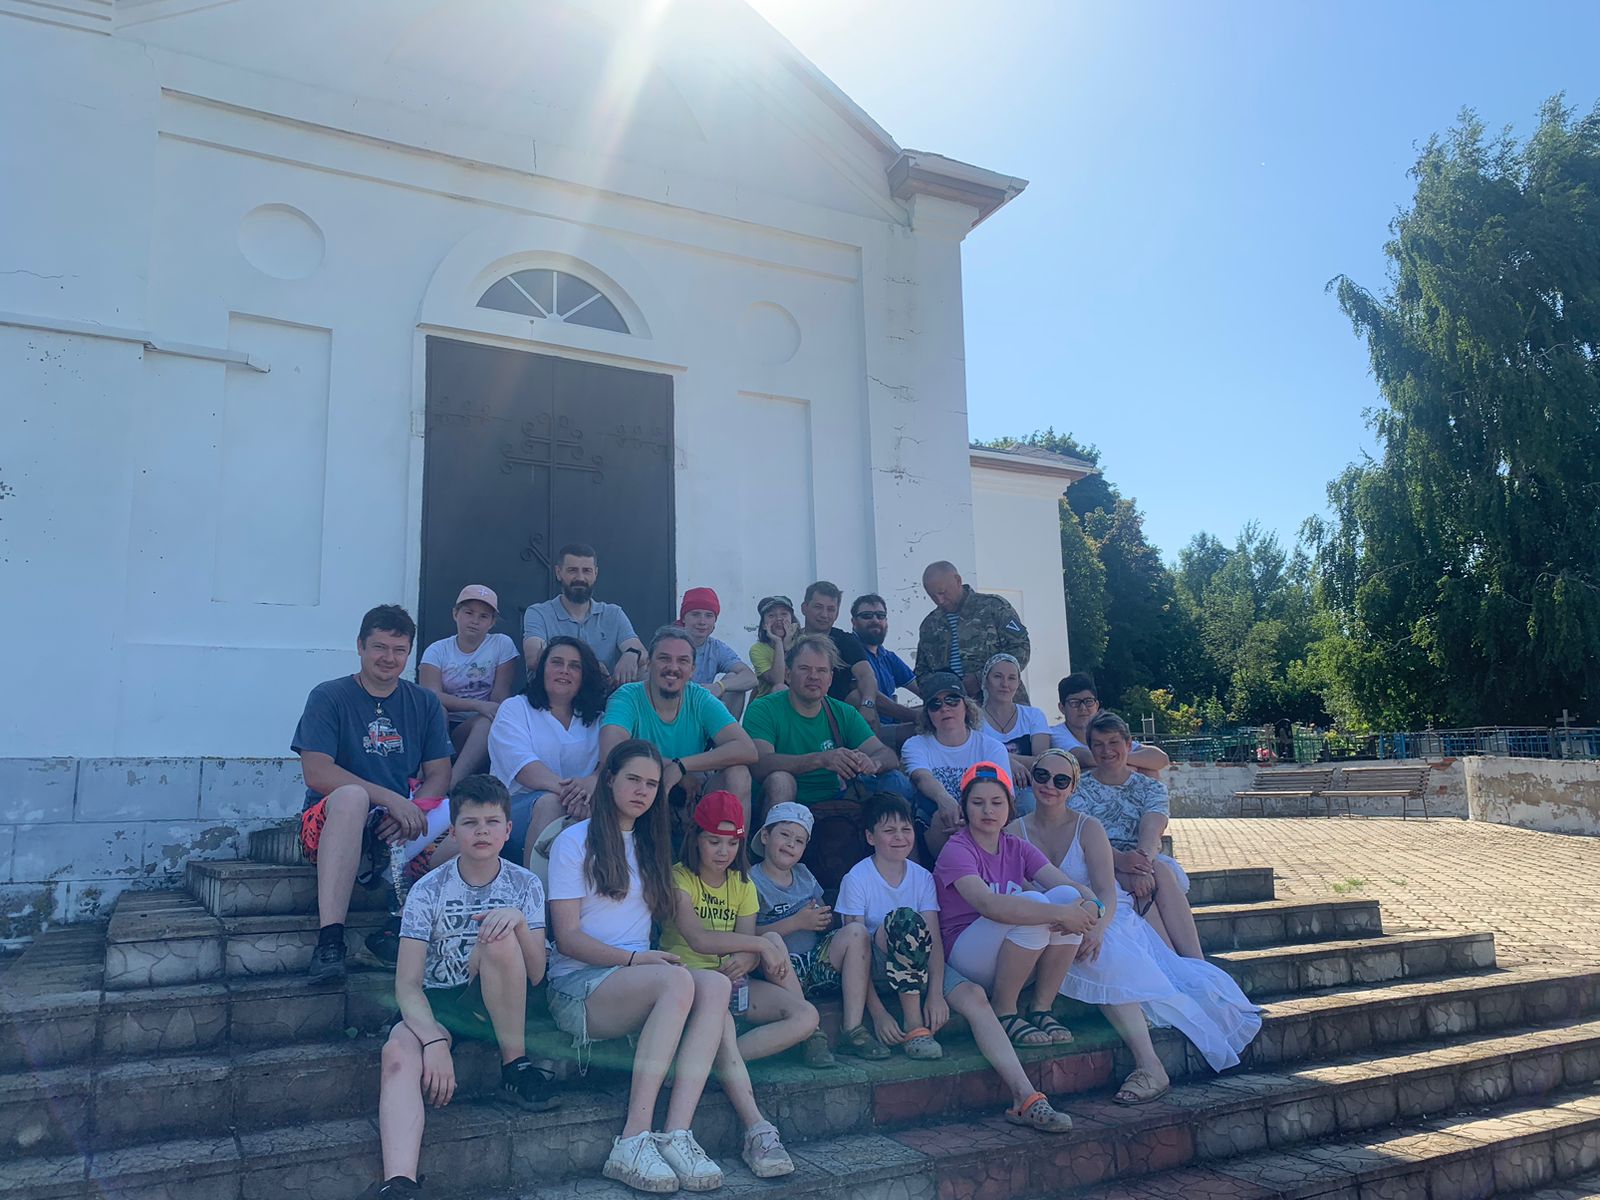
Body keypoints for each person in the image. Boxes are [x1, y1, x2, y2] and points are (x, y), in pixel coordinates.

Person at [545, 741, 786, 1191]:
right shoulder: (573, 842)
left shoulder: (651, 846)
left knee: (715, 987)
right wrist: (635, 959)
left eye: (652, 784)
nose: (642, 790)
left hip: (637, 979)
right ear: (609, 780)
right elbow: (568, 938)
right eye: (633, 779)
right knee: (676, 982)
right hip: (578, 986)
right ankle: (632, 1139)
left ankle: (677, 1134)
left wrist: (750, 948)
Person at [1010, 748, 1260, 1102]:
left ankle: (1149, 1064)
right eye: (1042, 776)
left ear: (1072, 788)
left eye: (1061, 780)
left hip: (1104, 914)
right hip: (1051, 919)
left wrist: (1097, 927)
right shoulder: (1015, 831)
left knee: (1104, 953)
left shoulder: (1087, 827)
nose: (1050, 785)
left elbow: (1106, 890)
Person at [369, 775, 555, 1200]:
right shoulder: (427, 890)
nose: (482, 832)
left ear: (508, 830)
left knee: (500, 936)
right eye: (470, 823)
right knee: (397, 1051)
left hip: (500, 996)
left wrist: (518, 921)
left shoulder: (525, 884)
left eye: (492, 822)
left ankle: (515, 1065)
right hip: (439, 1001)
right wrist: (434, 1041)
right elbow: (408, 985)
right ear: (453, 831)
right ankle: (399, 1182)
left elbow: (537, 972)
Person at [292, 605, 452, 981]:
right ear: (360, 646)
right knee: (352, 797)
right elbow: (316, 772)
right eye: (379, 647)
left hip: (395, 826)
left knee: (469, 821)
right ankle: (330, 942)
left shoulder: (425, 703)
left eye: (399, 650)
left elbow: (439, 774)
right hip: (330, 820)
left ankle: (398, 928)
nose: (389, 658)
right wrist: (390, 799)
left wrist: (411, 809)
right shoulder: (329, 696)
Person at [928, 767, 1082, 1134]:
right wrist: (1061, 914)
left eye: (997, 802)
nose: (988, 810)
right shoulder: (957, 849)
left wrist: (1092, 909)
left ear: (1010, 806)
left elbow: (1067, 886)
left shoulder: (1016, 846)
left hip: (1008, 950)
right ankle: (1006, 1009)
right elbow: (989, 905)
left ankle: (1041, 1007)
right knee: (1038, 905)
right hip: (965, 951)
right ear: (964, 808)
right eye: (978, 802)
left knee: (1066, 896)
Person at [662, 792, 817, 1082]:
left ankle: (713, 1063)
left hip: (733, 983)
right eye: (714, 842)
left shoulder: (743, 884)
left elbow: (746, 946)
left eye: (732, 843)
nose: (724, 852)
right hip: (689, 980)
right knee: (763, 946)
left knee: (807, 1016)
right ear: (696, 838)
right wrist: (760, 945)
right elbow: (699, 939)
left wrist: (749, 957)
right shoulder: (678, 878)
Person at [749, 802, 873, 1069]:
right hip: (779, 974)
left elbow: (822, 916)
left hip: (814, 965)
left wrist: (822, 919)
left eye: (799, 841)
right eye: (784, 835)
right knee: (769, 942)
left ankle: (852, 1028)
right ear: (766, 836)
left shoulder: (804, 875)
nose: (790, 844)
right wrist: (796, 922)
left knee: (856, 932)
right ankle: (811, 1035)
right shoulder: (751, 881)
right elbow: (748, 935)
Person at [1074, 712, 1203, 959]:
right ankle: (1175, 963)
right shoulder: (1079, 789)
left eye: (1113, 742)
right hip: (1097, 861)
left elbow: (1153, 826)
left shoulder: (1150, 787)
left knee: (1160, 871)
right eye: (1098, 744)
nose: (1106, 750)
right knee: (1143, 880)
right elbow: (1083, 836)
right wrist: (1123, 863)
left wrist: (1141, 865)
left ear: (1128, 744)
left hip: (1140, 859)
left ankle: (1195, 961)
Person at [600, 626, 758, 826]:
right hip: (644, 786)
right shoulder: (627, 697)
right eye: (664, 658)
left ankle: (734, 844)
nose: (673, 667)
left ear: (692, 670)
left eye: (682, 661)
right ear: (648, 664)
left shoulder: (700, 698)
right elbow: (611, 751)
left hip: (693, 789)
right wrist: (671, 767)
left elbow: (747, 749)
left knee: (738, 774)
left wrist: (682, 766)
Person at [745, 635, 916, 820]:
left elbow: (885, 754)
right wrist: (821, 759)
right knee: (780, 780)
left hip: (834, 803)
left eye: (821, 670)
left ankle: (898, 837)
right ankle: (774, 837)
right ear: (788, 674)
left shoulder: (843, 712)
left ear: (830, 678)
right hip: (783, 802)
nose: (813, 676)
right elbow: (760, 764)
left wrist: (873, 763)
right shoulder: (763, 709)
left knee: (895, 779)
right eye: (804, 669)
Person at [833, 794, 948, 1062]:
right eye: (889, 830)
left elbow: (934, 938)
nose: (899, 837)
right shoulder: (856, 878)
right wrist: (878, 1013)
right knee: (903, 921)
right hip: (873, 965)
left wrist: (936, 994)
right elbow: (856, 953)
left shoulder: (922, 877)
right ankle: (914, 1024)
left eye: (906, 829)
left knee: (910, 923)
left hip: (916, 966)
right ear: (870, 837)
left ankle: (916, 1023)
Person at [488, 636, 605, 870]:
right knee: (552, 803)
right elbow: (525, 769)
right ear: (542, 669)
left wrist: (592, 782)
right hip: (513, 812)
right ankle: (534, 888)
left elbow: (611, 763)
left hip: (583, 808)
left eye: (574, 666)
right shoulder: (515, 708)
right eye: (557, 662)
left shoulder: (598, 719)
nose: (564, 670)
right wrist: (575, 795)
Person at [418, 585, 520, 788]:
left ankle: (450, 785)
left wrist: (484, 710)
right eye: (469, 613)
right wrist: (477, 705)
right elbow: (431, 695)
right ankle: (425, 776)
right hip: (444, 724)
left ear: (492, 622)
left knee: (488, 722)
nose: (475, 620)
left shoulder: (501, 645)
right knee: (437, 710)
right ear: (455, 614)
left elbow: (499, 697)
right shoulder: (437, 650)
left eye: (483, 616)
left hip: (474, 727)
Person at [900, 673, 1009, 855]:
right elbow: (921, 777)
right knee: (939, 816)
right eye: (935, 704)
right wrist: (945, 800)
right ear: (927, 714)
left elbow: (1005, 796)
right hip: (937, 824)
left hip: (985, 818)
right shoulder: (916, 745)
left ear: (966, 705)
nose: (945, 708)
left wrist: (970, 820)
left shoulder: (992, 747)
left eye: (952, 700)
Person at [521, 543, 647, 686]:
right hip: (553, 693)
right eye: (572, 570)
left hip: (600, 694)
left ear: (595, 573)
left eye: (586, 571)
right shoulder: (539, 613)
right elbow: (534, 659)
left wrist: (632, 654)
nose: (580, 578)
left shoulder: (613, 614)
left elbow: (642, 652)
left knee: (644, 671)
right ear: (558, 572)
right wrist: (591, 666)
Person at [913, 562, 1030, 698]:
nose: (940, 600)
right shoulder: (929, 625)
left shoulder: (993, 607)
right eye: (933, 596)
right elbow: (921, 671)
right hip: (954, 707)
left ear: (958, 581)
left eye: (942, 593)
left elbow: (1021, 649)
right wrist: (944, 688)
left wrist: (981, 679)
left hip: (1002, 703)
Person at [1050, 673, 1172, 779]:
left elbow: (1161, 759)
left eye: (1088, 701)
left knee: (1149, 771)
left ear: (1096, 705)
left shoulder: (1105, 731)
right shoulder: (1055, 734)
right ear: (1062, 708)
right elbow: (1084, 758)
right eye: (1074, 703)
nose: (1083, 708)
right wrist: (1126, 763)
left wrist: (1122, 760)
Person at [978, 654, 1051, 817]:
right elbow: (974, 760)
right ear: (986, 680)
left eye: (1011, 678)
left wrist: (1003, 759)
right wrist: (1008, 763)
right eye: (998, 677)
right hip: (988, 788)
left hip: (1030, 789)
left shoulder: (1034, 716)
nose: (1005, 684)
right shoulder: (974, 719)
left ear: (1018, 683)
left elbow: (1043, 762)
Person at [797, 581, 881, 721]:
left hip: (837, 713)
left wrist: (868, 705)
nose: (824, 615)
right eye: (818, 607)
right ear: (804, 608)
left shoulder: (846, 641)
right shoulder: (790, 640)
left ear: (837, 613)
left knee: (859, 697)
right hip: (797, 708)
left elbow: (866, 675)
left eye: (831, 609)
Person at [849, 593, 922, 751]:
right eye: (867, 616)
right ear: (854, 622)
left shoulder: (888, 656)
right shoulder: (850, 653)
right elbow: (876, 701)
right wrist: (917, 717)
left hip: (893, 724)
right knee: (924, 730)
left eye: (880, 616)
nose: (875, 620)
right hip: (867, 731)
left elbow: (921, 688)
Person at [678, 587, 757, 718]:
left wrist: (720, 686)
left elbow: (751, 677)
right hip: (670, 708)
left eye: (709, 616)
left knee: (733, 679)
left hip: (700, 709)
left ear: (715, 621)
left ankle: (728, 731)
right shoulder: (668, 643)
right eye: (695, 614)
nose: (702, 622)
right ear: (684, 618)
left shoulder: (715, 648)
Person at [748, 595, 797, 700]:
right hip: (768, 702)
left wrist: (789, 647)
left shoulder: (804, 643)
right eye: (771, 615)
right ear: (763, 625)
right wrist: (779, 643)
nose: (779, 619)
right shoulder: (757, 649)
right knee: (780, 688)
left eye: (784, 614)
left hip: (802, 699)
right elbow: (778, 681)